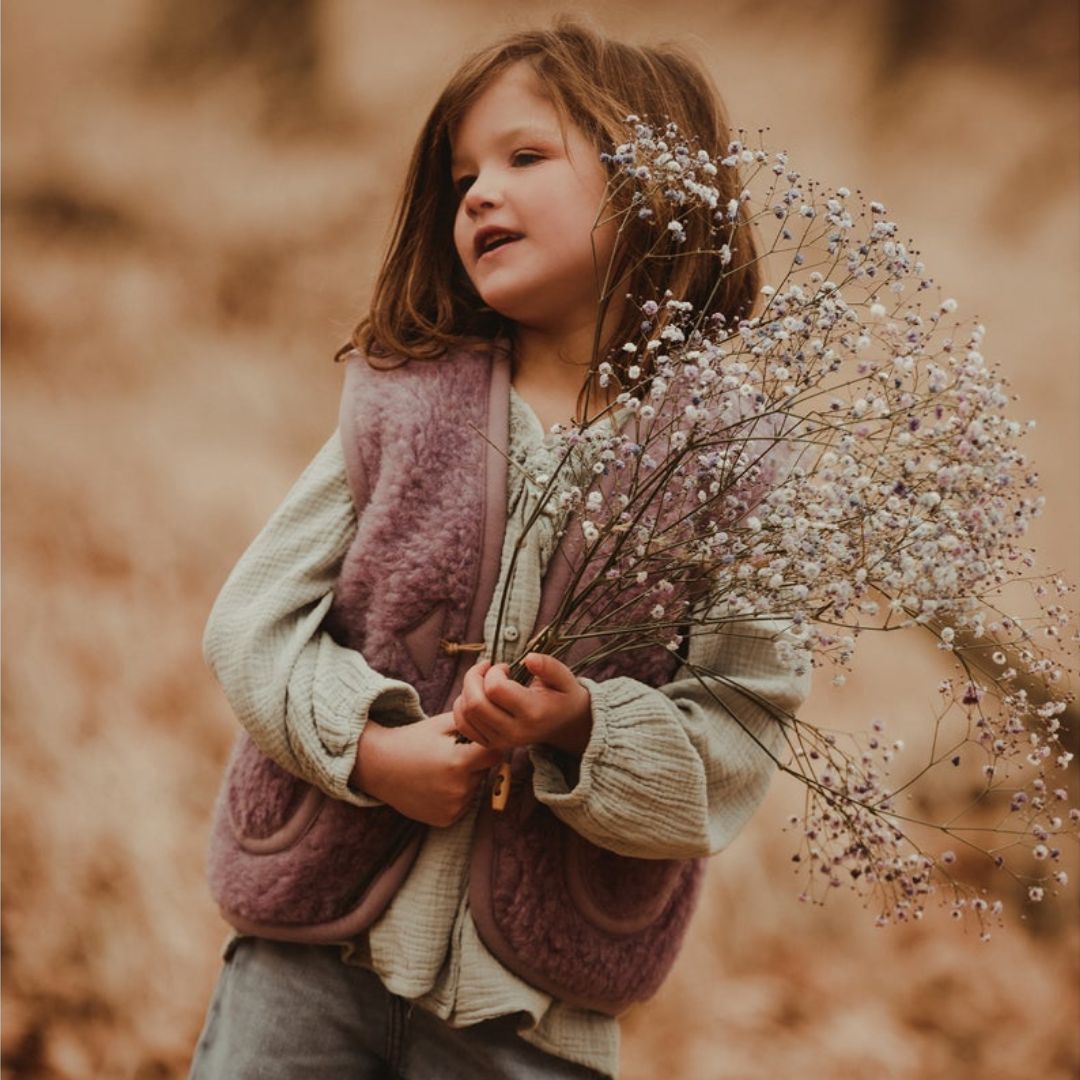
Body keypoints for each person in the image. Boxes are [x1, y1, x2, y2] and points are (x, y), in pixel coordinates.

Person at [188, 18, 810, 1080]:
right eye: (462, 173)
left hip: (531, 1024)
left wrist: (585, 727)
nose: (477, 193)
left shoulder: (727, 459)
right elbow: (252, 626)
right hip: (307, 972)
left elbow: (742, 726)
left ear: (656, 187)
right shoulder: (405, 401)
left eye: (525, 158)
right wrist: (371, 749)